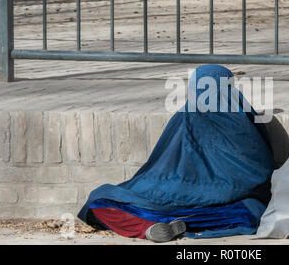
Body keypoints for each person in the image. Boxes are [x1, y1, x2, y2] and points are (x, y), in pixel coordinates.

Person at [78, 64, 276, 242]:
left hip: (176, 195)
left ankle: (146, 228)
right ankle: (180, 224)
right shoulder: (245, 120)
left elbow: (161, 166)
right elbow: (262, 170)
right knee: (253, 210)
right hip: (236, 205)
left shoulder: (186, 116)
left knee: (99, 201)